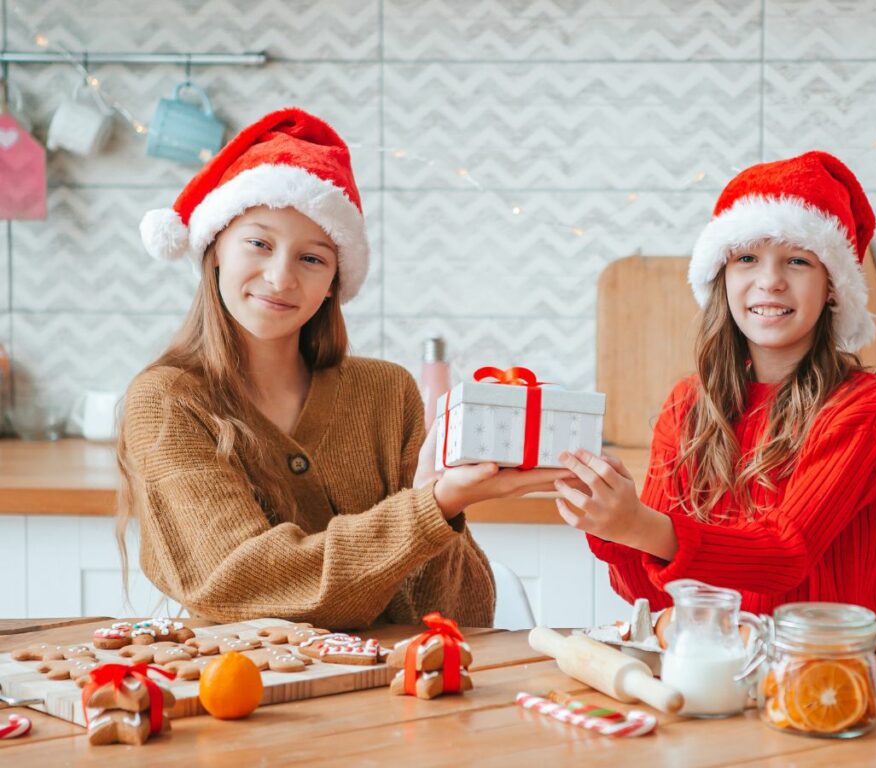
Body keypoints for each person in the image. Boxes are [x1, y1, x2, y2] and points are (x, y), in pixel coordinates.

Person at [117, 108, 568, 628]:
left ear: (334, 280)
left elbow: (461, 616)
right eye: (259, 243)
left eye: (312, 258)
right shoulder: (169, 400)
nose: (281, 278)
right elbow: (245, 586)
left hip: (392, 698)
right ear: (215, 248)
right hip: (241, 693)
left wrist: (436, 499)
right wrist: (429, 508)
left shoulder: (388, 392)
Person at [555, 151, 876, 629]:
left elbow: (786, 554)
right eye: (747, 258)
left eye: (798, 260)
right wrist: (613, 524)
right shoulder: (688, 407)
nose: (770, 281)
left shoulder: (866, 407)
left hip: (834, 675)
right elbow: (651, 596)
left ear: (832, 287)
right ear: (722, 278)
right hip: (720, 671)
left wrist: (640, 526)